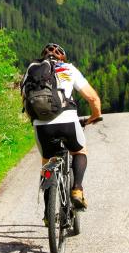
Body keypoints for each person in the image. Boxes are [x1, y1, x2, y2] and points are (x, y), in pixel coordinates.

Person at [22, 42, 102, 209]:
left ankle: (47, 212)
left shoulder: (31, 71)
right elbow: (93, 99)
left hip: (41, 126)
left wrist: (37, 121)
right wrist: (95, 116)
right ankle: (77, 190)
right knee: (79, 151)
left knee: (46, 163)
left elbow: (26, 101)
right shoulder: (68, 69)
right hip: (68, 120)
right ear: (62, 57)